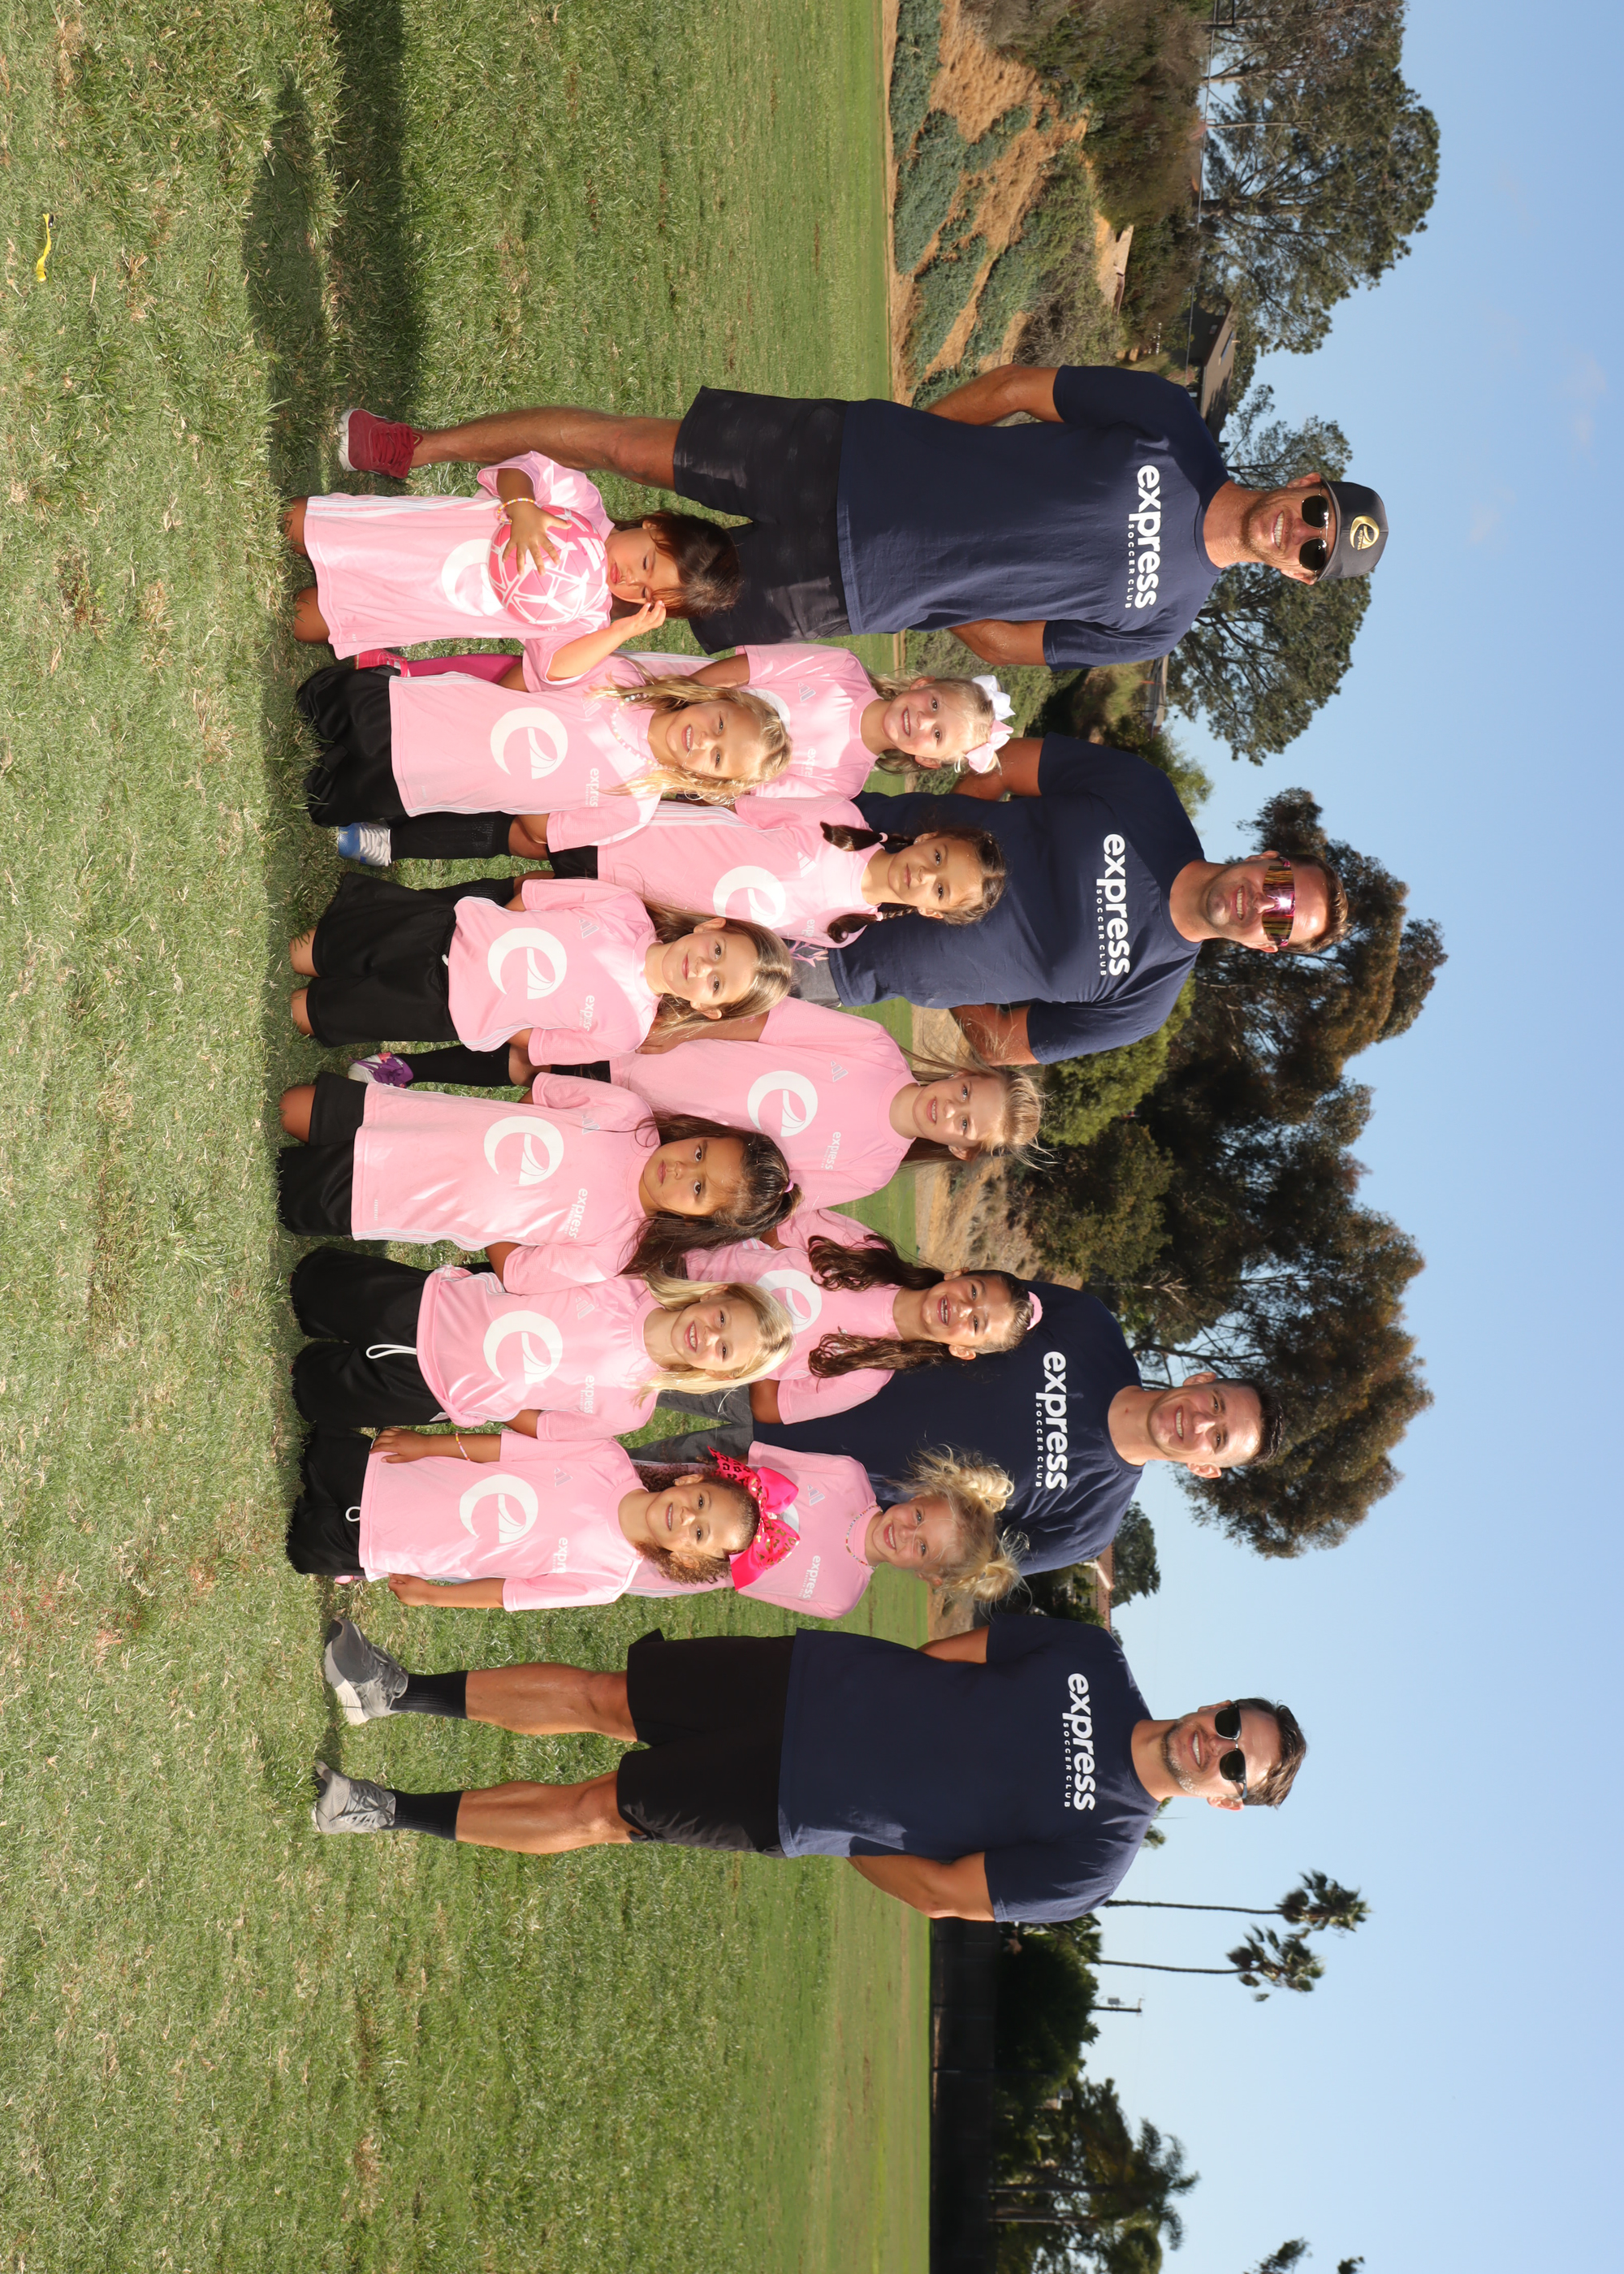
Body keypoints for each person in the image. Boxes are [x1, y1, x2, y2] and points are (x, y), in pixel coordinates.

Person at [330, 370, 1388, 663]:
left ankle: (398, 618)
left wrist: (934, 588)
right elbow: (1020, 389)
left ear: (1299, 576)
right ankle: (409, 451)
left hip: (838, 589)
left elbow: (1014, 645)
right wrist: (913, 446)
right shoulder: (1171, 425)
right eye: (1317, 511)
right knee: (622, 446)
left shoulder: (1164, 621)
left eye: (1314, 552)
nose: (1299, 531)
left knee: (614, 602)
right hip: (844, 459)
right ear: (1306, 480)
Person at [309, 1617, 1307, 1925]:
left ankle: (382, 1810)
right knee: (610, 1695)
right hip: (811, 1679)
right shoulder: (1094, 1656)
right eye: (1230, 1722)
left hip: (794, 1798)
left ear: (1226, 1799)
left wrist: (852, 1823)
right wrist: (877, 1695)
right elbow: (957, 1654)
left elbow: (944, 1892)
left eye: (1235, 1762)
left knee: (601, 1808)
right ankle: (393, 1692)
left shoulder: (1097, 1857)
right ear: (1215, 1702)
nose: (1214, 1741)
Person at [637, 1280, 1284, 1572]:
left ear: (1206, 1467)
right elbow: (961, 1303)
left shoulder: (1087, 1525)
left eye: (1218, 1438)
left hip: (781, 1491)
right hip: (788, 1374)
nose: (1201, 1421)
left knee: (632, 1503)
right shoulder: (1088, 1325)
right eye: (1215, 1402)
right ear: (1203, 1380)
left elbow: (957, 1561)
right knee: (617, 1369)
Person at [797, 733, 1350, 1064]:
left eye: (1282, 922)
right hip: (848, 837)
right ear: (1265, 858)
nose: (1265, 904)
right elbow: (1005, 762)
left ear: (1267, 947)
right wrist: (947, 835)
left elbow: (1002, 1045)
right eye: (1280, 887)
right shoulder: (1148, 796)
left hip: (837, 967)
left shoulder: (1144, 1003)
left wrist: (937, 973)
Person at [274, 1070, 795, 1282]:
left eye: (698, 1188)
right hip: (407, 1120)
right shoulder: (626, 1113)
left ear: (699, 1222)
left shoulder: (612, 1250)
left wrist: (490, 1211)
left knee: (282, 1190)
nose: (682, 1167)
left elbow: (518, 1273)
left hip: (389, 1198)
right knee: (289, 1107)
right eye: (700, 1152)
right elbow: (542, 1094)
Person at [296, 654, 790, 869]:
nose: (704, 742)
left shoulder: (632, 809)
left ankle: (351, 772)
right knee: (320, 701)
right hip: (429, 713)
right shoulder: (621, 679)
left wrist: (530, 784)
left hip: (426, 783)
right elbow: (528, 677)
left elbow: (539, 831)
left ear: (708, 781)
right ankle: (373, 691)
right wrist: (501, 712)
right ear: (714, 697)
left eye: (717, 757)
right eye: (719, 724)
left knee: (320, 802)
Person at [284, 447, 738, 681]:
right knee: (293, 521)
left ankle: (336, 600)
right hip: (406, 538)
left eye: (644, 593)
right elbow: (521, 469)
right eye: (646, 561)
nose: (632, 579)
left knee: (301, 620)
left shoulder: (588, 616)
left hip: (410, 606)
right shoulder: (580, 505)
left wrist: (619, 633)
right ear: (654, 525)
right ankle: (327, 541)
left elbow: (555, 668)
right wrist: (523, 508)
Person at [285, 871, 792, 1078]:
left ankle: (327, 1006)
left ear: (707, 1008)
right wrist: (489, 940)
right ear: (710, 926)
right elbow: (533, 898)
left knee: (304, 1013)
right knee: (305, 954)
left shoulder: (627, 1031)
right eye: (718, 950)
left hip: (440, 1008)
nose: (703, 966)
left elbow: (539, 1043)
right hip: (439, 933)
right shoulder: (623, 908)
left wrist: (494, 1005)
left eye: (717, 983)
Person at [286, 1246, 793, 1433]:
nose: (710, 1336)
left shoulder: (631, 1410)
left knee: (308, 1392)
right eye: (722, 1318)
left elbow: (545, 1427)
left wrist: (496, 1397)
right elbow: (525, 1265)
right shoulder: (625, 1276)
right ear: (716, 1294)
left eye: (725, 1350)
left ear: (718, 1374)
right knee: (308, 1285)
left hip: (439, 1391)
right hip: (431, 1308)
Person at [605, 997, 1043, 1210]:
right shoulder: (876, 1047)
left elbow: (759, 1202)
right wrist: (680, 1033)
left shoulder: (872, 1172)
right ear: (962, 1075)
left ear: (961, 1150)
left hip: (634, 1139)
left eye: (965, 1125)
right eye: (966, 1095)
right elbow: (766, 1023)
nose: (950, 1109)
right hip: (640, 1055)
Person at [659, 1206, 1037, 1426]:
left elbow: (770, 1408)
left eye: (976, 1324)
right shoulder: (867, 1251)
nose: (964, 1309)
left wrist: (756, 1352)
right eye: (974, 1292)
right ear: (959, 1274)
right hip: (678, 1270)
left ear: (963, 1350)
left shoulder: (865, 1377)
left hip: (685, 1350)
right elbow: (779, 1227)